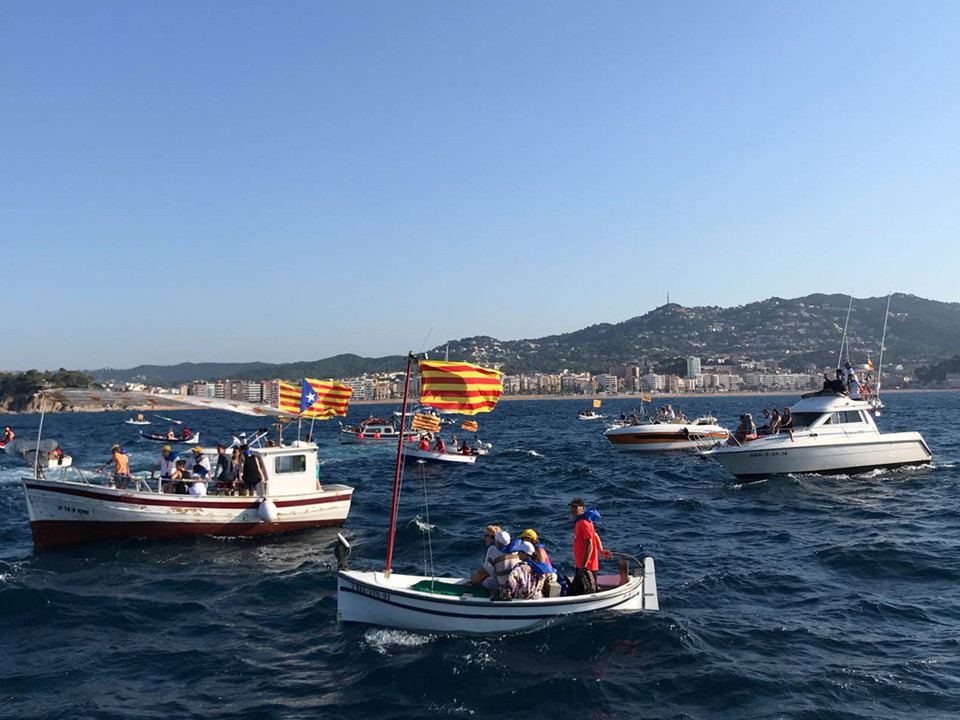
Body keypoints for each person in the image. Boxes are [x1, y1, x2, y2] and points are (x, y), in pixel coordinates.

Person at [569, 498, 611, 596]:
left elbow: (589, 545)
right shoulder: (581, 521)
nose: (573, 509)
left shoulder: (583, 523)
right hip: (582, 565)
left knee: (582, 592)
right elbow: (595, 535)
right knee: (583, 591)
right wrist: (601, 550)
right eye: (572, 507)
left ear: (583, 508)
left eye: (575, 507)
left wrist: (583, 566)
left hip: (586, 567)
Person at [469, 527, 521, 593]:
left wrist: (473, 583)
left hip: (499, 585)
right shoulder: (517, 552)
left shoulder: (494, 552)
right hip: (515, 586)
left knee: (474, 576)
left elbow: (485, 573)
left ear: (497, 541)